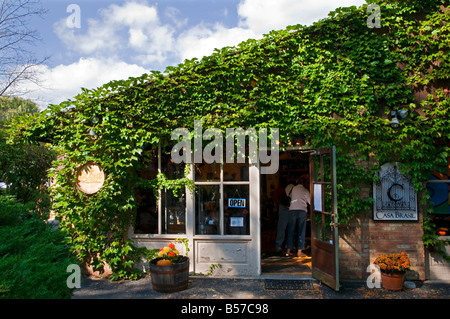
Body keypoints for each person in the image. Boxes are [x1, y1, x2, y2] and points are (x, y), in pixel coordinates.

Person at [287, 177, 310, 257]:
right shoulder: (306, 191)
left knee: (291, 230)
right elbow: (310, 202)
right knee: (301, 231)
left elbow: (290, 196)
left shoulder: (293, 189)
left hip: (292, 210)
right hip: (302, 211)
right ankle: (299, 252)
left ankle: (288, 250)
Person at [274, 182, 295, 255]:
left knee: (287, 227)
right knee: (283, 227)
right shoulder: (291, 187)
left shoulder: (290, 187)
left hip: (287, 207)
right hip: (285, 207)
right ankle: (280, 246)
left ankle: (287, 246)